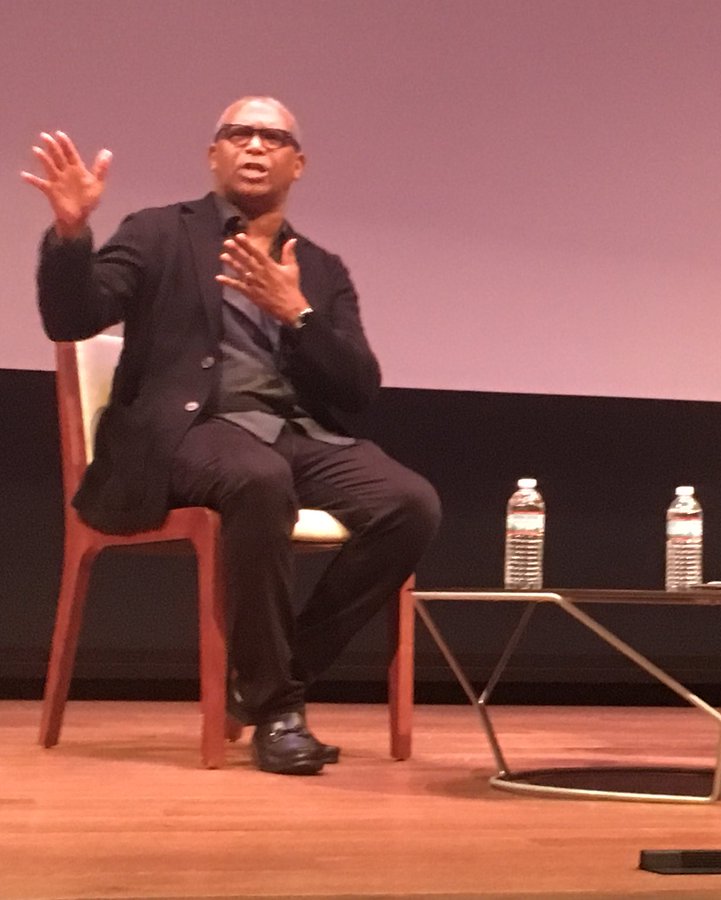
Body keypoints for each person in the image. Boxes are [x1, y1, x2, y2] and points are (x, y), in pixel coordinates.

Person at [23, 97, 441, 776]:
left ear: (297, 164)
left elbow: (359, 390)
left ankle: (268, 680)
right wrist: (71, 235)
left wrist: (298, 314)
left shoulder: (323, 269)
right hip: (188, 434)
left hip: (297, 436)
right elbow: (71, 318)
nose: (254, 145)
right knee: (256, 478)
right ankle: (278, 709)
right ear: (212, 154)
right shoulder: (159, 233)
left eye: (272, 137)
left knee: (409, 503)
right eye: (237, 133)